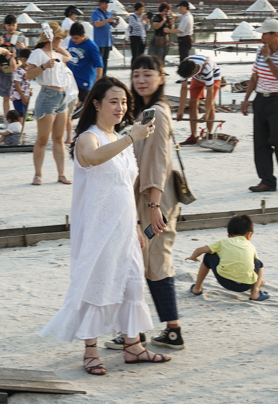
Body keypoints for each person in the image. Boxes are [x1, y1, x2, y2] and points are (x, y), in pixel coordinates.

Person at [39, 77, 170, 375]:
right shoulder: (90, 136)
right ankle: (90, 351)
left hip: (124, 226)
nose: (120, 107)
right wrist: (130, 138)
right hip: (96, 227)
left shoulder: (121, 140)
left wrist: (137, 225)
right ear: (96, 104)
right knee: (95, 285)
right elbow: (92, 158)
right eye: (113, 101)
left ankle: (133, 346)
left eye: (124, 102)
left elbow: (125, 189)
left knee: (132, 283)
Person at [106, 55, 184, 350]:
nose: (140, 80)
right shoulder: (145, 111)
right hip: (150, 197)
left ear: (162, 77)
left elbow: (157, 161)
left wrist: (152, 208)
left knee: (148, 260)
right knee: (146, 261)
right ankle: (154, 331)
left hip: (153, 199)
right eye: (136, 75)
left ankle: (149, 332)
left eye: (147, 74)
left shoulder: (156, 113)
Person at [240, 18, 278, 192]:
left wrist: (268, 58)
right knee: (261, 142)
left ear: (275, 35)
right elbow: (255, 76)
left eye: (265, 33)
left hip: (277, 100)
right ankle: (267, 181)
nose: (262, 36)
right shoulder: (260, 51)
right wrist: (246, 98)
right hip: (261, 100)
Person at [27, 23, 73, 186]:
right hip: (47, 95)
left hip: (61, 96)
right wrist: (44, 66)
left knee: (59, 139)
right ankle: (38, 174)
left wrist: (58, 48)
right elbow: (28, 74)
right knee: (42, 139)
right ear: (53, 37)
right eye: (60, 37)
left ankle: (61, 174)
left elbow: (68, 57)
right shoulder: (38, 53)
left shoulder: (55, 52)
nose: (62, 40)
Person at [186, 215, 268, 301]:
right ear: (249, 235)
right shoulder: (251, 246)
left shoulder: (223, 242)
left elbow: (200, 250)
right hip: (245, 285)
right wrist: (259, 281)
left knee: (209, 255)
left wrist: (193, 257)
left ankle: (197, 288)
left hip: (225, 281)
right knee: (258, 262)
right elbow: (254, 267)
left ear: (228, 236)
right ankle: (255, 292)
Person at [175, 54, 221, 145]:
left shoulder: (207, 68)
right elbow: (184, 88)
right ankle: (193, 136)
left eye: (188, 78)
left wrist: (206, 113)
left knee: (210, 105)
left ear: (192, 73)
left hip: (213, 76)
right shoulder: (185, 66)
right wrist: (181, 109)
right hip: (197, 76)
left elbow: (209, 93)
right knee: (192, 103)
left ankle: (208, 135)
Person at [66, 21, 104, 104]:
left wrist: (98, 78)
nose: (74, 40)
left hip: (85, 78)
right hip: (73, 77)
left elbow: (99, 64)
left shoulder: (91, 46)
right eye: (72, 37)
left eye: (76, 38)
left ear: (83, 35)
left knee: (84, 101)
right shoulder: (71, 42)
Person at [0, 31, 18, 127]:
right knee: (6, 98)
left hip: (11, 73)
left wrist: (11, 54)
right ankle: (7, 120)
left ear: (3, 39)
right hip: (3, 73)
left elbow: (15, 53)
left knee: (16, 98)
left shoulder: (10, 45)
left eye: (0, 40)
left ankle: (17, 120)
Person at [91, 0, 119, 71]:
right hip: (100, 41)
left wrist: (116, 23)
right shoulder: (95, 13)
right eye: (105, 3)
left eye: (108, 4)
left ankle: (104, 75)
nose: (107, 5)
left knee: (105, 60)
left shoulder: (109, 14)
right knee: (99, 61)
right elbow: (97, 24)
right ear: (101, 3)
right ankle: (98, 77)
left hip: (107, 41)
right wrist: (107, 20)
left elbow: (113, 25)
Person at [11, 48, 33, 132]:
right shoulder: (18, 71)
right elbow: (16, 85)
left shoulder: (28, 70)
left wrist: (28, 92)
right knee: (20, 115)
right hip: (18, 96)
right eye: (24, 60)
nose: (26, 62)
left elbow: (25, 83)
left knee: (23, 115)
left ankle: (21, 132)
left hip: (24, 96)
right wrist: (23, 97)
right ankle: (19, 132)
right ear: (20, 59)